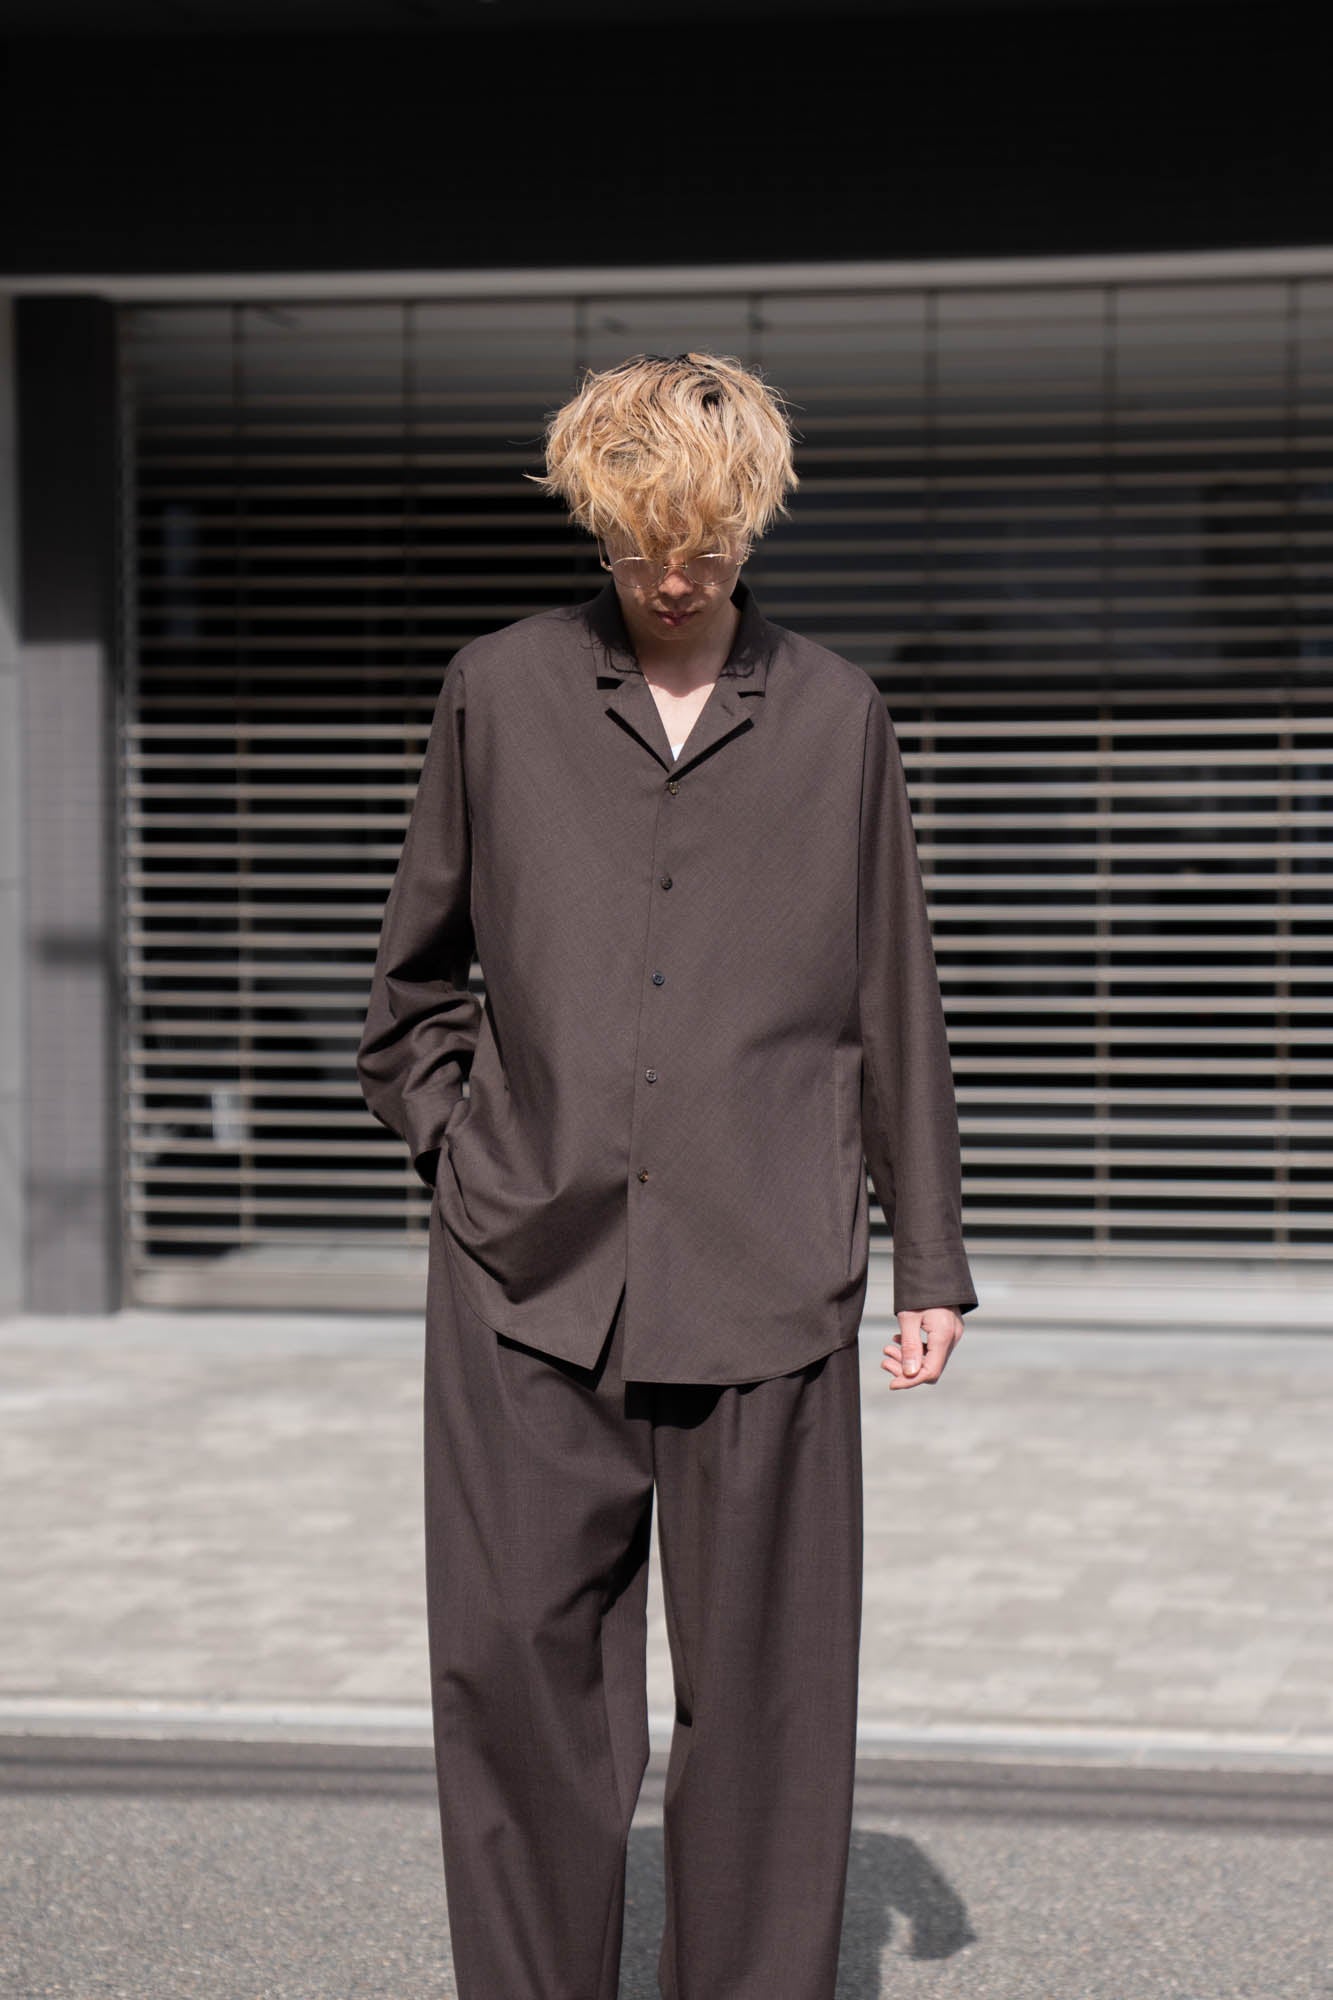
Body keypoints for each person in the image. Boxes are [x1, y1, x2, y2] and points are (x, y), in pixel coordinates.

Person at [356, 350, 979, 2000]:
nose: (673, 575)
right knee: (513, 1682)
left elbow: (892, 997)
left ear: (750, 518)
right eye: (638, 545)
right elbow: (410, 986)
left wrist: (927, 1258)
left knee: (771, 1705)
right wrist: (466, 1149)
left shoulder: (835, 714)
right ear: (596, 522)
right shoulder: (497, 690)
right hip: (524, 1271)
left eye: (701, 542)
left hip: (768, 1271)